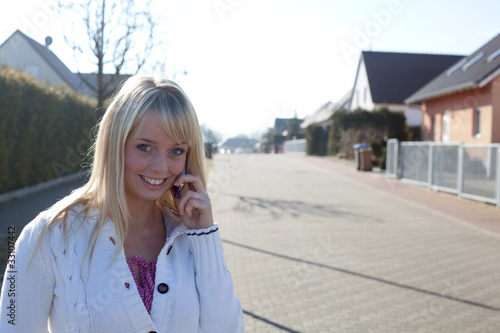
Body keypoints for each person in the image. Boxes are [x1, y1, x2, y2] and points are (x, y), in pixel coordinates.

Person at [0, 75, 245, 332]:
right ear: (115, 144)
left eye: (176, 151)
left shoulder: (190, 236)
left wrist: (204, 236)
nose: (161, 167)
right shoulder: (45, 237)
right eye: (144, 147)